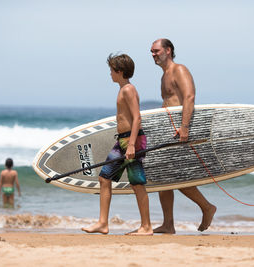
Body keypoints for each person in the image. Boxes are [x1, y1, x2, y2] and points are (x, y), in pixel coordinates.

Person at [150, 38, 217, 233]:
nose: (153, 55)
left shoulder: (179, 70)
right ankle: (168, 224)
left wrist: (185, 127)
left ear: (168, 50)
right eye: (152, 52)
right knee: (164, 178)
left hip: (182, 131)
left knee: (177, 177)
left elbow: (189, 97)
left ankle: (207, 207)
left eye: (156, 51)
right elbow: (169, 103)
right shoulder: (164, 76)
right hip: (170, 131)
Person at [82, 54, 153, 236]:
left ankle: (146, 227)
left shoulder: (128, 89)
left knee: (137, 183)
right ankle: (103, 223)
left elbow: (137, 118)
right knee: (105, 178)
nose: (110, 74)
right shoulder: (123, 89)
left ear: (119, 71)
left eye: (112, 70)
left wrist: (131, 145)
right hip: (123, 140)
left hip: (131, 141)